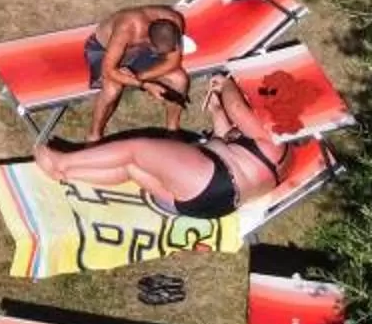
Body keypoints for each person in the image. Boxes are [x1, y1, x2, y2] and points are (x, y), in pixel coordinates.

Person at [33, 75, 289, 222]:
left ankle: (63, 163)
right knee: (132, 169)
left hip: (213, 180)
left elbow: (238, 110)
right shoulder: (275, 152)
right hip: (208, 206)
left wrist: (228, 83)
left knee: (136, 150)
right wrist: (216, 110)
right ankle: (66, 175)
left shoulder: (273, 139)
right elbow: (226, 141)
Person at [82, 2, 192, 142]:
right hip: (103, 51)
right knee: (112, 90)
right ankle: (94, 135)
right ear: (149, 41)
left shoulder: (173, 21)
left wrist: (139, 78)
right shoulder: (127, 27)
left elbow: (173, 62)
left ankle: (172, 129)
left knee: (179, 79)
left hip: (138, 52)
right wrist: (144, 85)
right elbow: (108, 71)